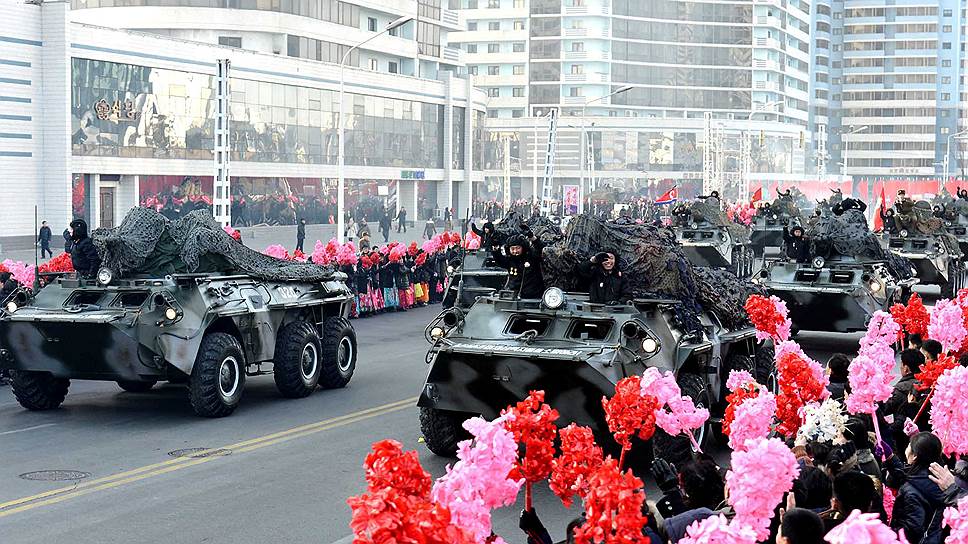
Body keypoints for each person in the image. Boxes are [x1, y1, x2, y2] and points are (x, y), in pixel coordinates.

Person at [883, 432, 946, 543]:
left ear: (915, 456)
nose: (907, 448)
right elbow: (907, 474)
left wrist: (887, 533)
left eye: (909, 445)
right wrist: (890, 458)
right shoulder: (942, 478)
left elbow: (912, 531)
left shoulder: (911, 492)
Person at [491, 230, 545, 299]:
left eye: (518, 248)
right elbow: (499, 260)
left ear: (523, 247)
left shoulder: (531, 257)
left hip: (533, 296)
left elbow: (540, 249)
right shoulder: (510, 260)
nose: (515, 251)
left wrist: (533, 238)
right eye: (512, 249)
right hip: (514, 295)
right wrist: (496, 249)